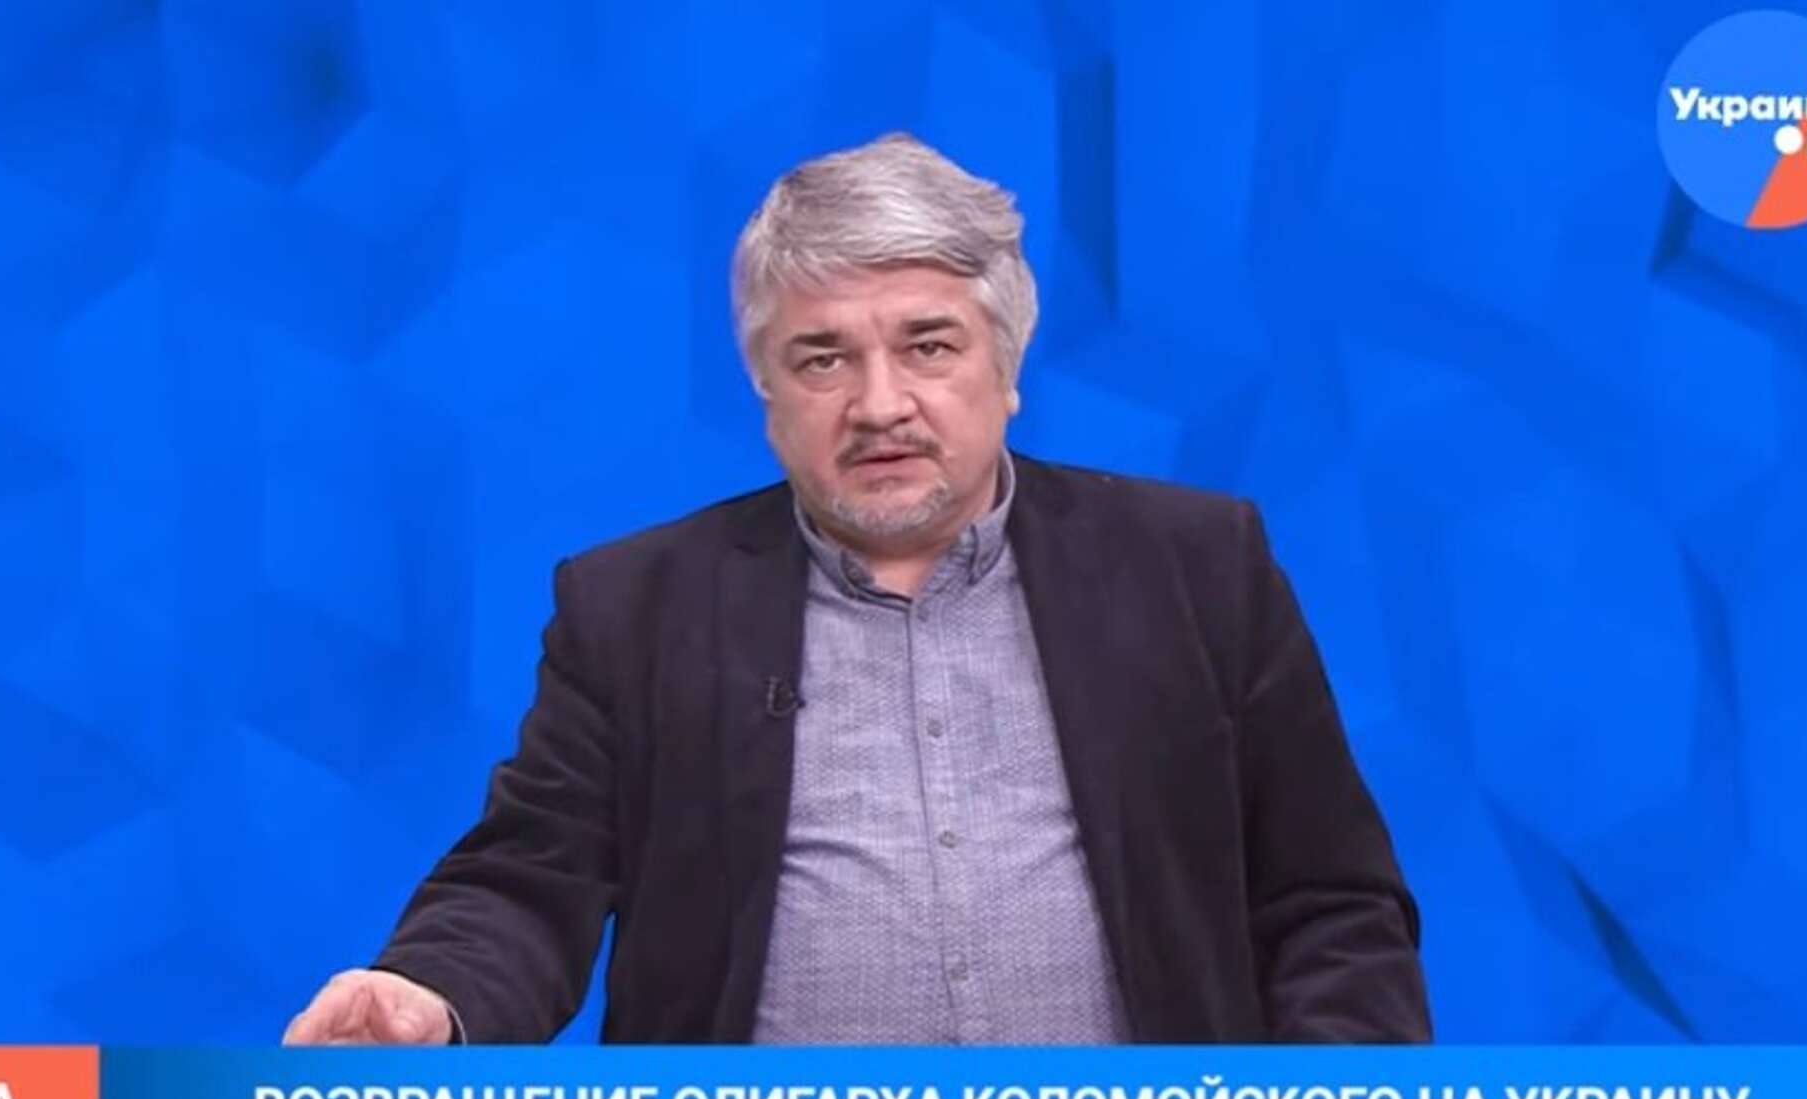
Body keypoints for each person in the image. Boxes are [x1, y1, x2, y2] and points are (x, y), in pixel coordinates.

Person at [283, 133, 1430, 1045]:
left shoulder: (1194, 566)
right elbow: (529, 880)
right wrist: (428, 993)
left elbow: (1328, 903)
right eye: (822, 358)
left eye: (927, 345)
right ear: (765, 391)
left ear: (1005, 367)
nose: (878, 404)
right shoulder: (634, 609)